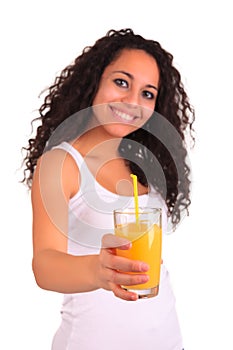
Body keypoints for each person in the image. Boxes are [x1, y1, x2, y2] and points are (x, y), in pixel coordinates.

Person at [22, 28, 195, 350]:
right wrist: (98, 270)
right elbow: (44, 265)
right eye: (121, 82)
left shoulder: (141, 164)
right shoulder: (61, 163)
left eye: (147, 93)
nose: (132, 101)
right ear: (94, 82)